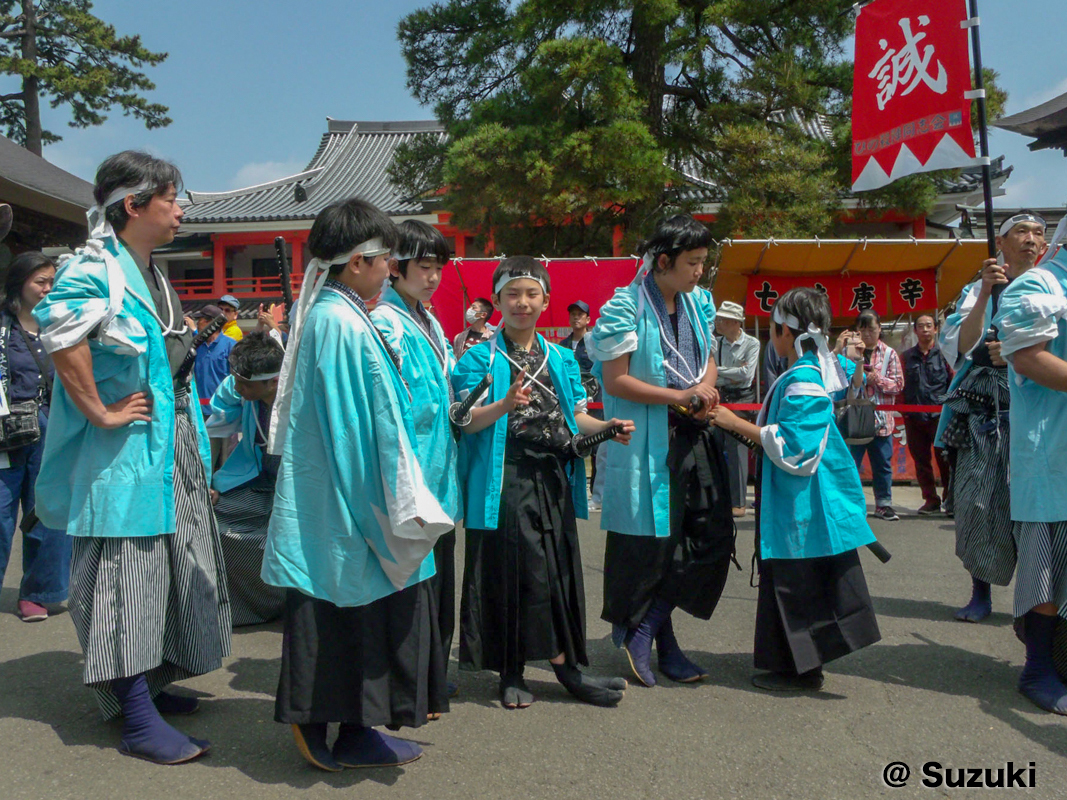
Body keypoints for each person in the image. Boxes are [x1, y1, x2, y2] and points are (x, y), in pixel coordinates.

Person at [33, 151, 231, 764]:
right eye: (171, 199)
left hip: (171, 445)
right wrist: (100, 410)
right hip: (124, 451)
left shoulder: (152, 271)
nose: (180, 210)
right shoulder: (93, 267)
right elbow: (60, 333)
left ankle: (148, 683)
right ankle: (137, 719)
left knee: (177, 568)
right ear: (133, 205)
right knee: (127, 577)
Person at [262, 198, 453, 771]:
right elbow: (353, 428)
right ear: (356, 262)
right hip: (349, 496)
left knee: (357, 615)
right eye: (384, 257)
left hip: (348, 493)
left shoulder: (342, 312)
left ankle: (353, 728)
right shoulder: (340, 320)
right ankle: (325, 727)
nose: (390, 266)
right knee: (341, 615)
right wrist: (390, 502)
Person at [452, 256, 633, 709]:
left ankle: (567, 665)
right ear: (496, 301)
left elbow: (575, 417)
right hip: (506, 476)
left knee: (557, 570)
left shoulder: (564, 358)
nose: (522, 302)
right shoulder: (478, 357)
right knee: (516, 572)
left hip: (553, 474)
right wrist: (505, 403)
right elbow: (465, 422)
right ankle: (515, 670)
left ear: (546, 301)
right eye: (512, 294)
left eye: (532, 294)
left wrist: (607, 426)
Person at [589, 214, 735, 688]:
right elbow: (615, 380)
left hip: (694, 432)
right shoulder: (624, 305)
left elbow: (709, 358)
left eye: (703, 263)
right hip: (651, 439)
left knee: (710, 535)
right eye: (692, 263)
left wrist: (703, 391)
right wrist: (680, 397)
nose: (699, 273)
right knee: (656, 546)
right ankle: (664, 646)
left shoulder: (699, 304)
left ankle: (646, 628)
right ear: (664, 261)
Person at [710, 287, 880, 691]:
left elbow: (797, 450)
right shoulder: (812, 370)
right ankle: (793, 665)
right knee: (801, 582)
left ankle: (801, 670)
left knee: (796, 583)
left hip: (800, 502)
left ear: (785, 332)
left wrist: (734, 422)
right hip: (803, 499)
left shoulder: (802, 377)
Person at [938, 211, 1047, 623]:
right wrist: (985, 291)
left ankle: (1038, 603)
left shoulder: (1053, 288)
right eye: (1021, 231)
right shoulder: (978, 289)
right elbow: (963, 345)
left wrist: (1023, 356)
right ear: (1000, 243)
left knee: (1036, 510)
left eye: (1039, 232)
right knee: (979, 504)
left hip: (1039, 414)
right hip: (986, 419)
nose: (1031, 239)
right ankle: (979, 591)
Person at [370, 219, 461, 702]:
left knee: (434, 580)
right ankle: (412, 683)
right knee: (411, 581)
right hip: (414, 471)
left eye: (438, 268)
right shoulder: (386, 320)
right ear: (396, 267)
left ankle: (427, 675)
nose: (433, 278)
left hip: (436, 468)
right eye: (424, 268)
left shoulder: (427, 319)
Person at [994, 215, 1067, 714]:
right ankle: (1037, 668)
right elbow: (1025, 357)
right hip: (1048, 453)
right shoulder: (1038, 284)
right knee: (1044, 570)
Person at [0, 252, 69, 622]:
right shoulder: (2, 326)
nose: (47, 289)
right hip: (4, 433)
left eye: (51, 282)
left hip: (52, 429)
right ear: (19, 283)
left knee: (48, 512)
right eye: (40, 282)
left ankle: (38, 592)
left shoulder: (61, 325)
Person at [206, 331, 286, 627]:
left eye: (244, 384)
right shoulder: (238, 388)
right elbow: (214, 430)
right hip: (255, 480)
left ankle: (291, 602)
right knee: (208, 518)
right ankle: (244, 607)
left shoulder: (298, 397)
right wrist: (208, 480)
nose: (236, 387)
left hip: (297, 488)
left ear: (273, 381)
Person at [848, 310, 903, 521]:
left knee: (882, 464)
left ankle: (884, 504)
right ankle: (851, 504)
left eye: (871, 329)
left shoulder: (890, 353)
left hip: (881, 421)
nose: (867, 333)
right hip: (856, 419)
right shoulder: (849, 353)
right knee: (852, 463)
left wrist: (876, 379)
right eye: (862, 329)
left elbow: (898, 385)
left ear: (880, 328)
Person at [901, 314, 953, 515]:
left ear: (936, 329)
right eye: (920, 326)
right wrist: (904, 413)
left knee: (946, 461)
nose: (925, 329)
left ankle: (950, 500)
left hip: (940, 418)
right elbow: (901, 385)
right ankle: (930, 500)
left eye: (928, 326)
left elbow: (952, 383)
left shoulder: (945, 354)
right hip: (914, 418)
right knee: (921, 462)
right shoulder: (905, 357)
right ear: (915, 330)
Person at [713, 300, 759, 517]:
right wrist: (730, 372)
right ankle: (719, 498)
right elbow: (712, 372)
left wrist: (722, 373)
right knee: (715, 444)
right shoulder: (717, 343)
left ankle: (739, 502)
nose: (718, 323)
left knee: (737, 448)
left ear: (734, 322)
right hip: (720, 397)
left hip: (742, 400)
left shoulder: (752, 343)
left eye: (721, 319)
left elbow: (747, 376)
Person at [559, 299, 605, 509]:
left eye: (580, 314)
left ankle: (598, 494)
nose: (576, 318)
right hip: (571, 402)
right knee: (570, 443)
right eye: (573, 314)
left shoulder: (594, 342)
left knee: (597, 446)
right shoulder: (562, 345)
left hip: (595, 402)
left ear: (588, 319)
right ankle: (568, 490)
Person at [190, 304, 235, 418]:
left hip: (224, 410)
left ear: (209, 322)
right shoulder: (194, 345)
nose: (197, 323)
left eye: (199, 320)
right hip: (198, 411)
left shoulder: (231, 345)